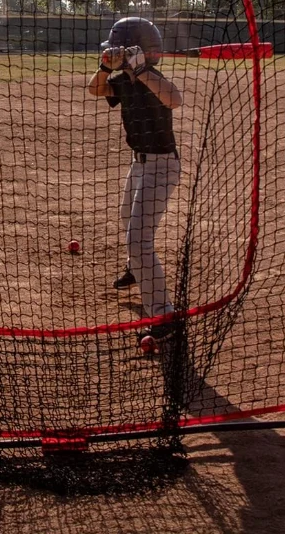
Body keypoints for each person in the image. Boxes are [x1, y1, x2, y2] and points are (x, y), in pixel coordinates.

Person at [88, 17, 183, 344]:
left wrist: (141, 70)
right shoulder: (123, 81)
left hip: (162, 166)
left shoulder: (151, 78)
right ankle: (135, 269)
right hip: (139, 163)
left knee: (138, 238)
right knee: (128, 216)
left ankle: (164, 314)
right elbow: (95, 89)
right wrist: (104, 67)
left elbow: (174, 99)